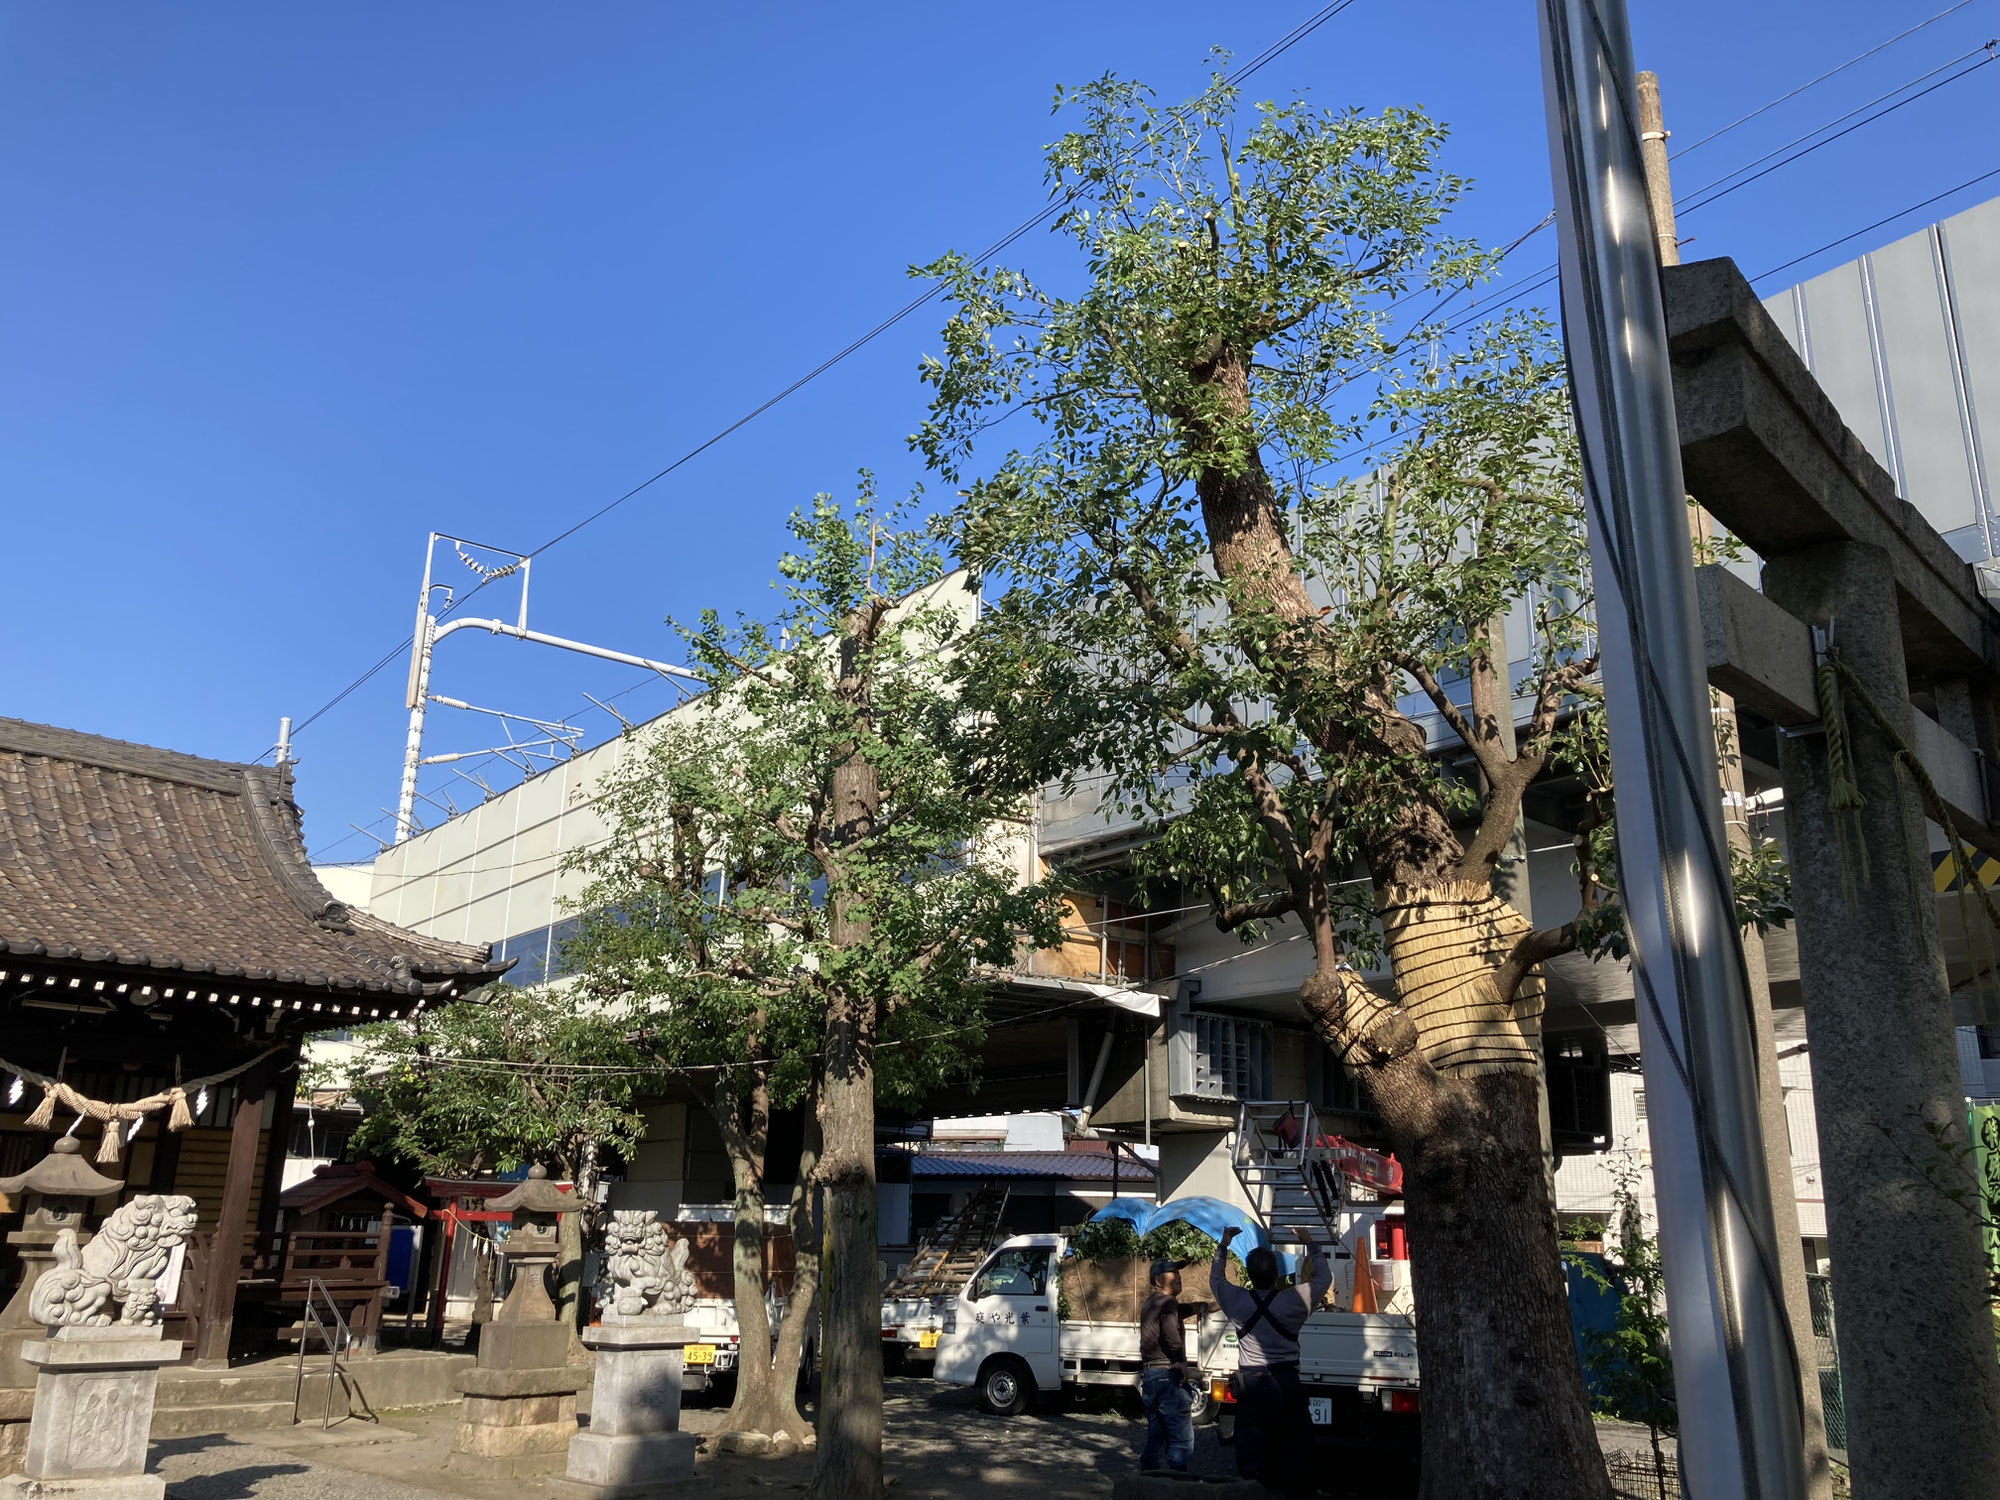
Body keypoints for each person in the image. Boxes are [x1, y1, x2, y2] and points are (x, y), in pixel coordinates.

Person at [1212, 1226, 1331, 1498]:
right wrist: (1309, 1242)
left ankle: (1257, 1490)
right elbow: (1324, 1277)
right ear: (1277, 1275)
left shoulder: (1238, 1300)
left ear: (1250, 1276)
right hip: (1287, 1383)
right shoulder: (1294, 1299)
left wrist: (1224, 1243)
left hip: (1252, 1386)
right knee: (1295, 1447)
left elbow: (1215, 1279)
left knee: (1253, 1452)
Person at [1137, 1257, 1193, 1473]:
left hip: (1151, 1376)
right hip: (1168, 1374)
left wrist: (1206, 1306)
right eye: (1173, 1273)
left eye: (1178, 1273)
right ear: (1159, 1280)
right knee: (1180, 1437)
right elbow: (1171, 1335)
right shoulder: (1168, 1303)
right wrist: (1182, 1362)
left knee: (1156, 1432)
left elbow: (1181, 1311)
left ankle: (1145, 1482)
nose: (1179, 1277)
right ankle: (1178, 1484)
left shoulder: (1153, 1302)